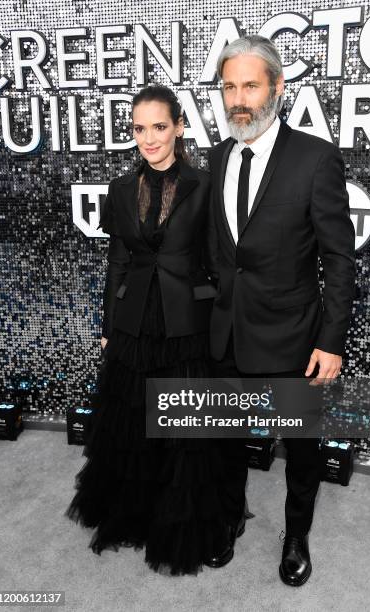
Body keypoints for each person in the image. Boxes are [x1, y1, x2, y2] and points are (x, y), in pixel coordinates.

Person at [64, 84, 246, 575]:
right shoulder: (122, 189)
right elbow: (117, 261)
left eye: (159, 127)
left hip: (187, 321)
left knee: (187, 431)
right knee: (132, 427)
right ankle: (139, 515)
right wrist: (108, 323)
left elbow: (218, 259)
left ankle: (185, 521)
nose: (149, 139)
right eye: (139, 129)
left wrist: (227, 318)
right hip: (134, 324)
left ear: (179, 127)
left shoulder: (207, 184)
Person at [206, 36, 356, 585]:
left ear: (277, 88)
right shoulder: (219, 154)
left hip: (295, 339)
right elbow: (222, 255)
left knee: (302, 451)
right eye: (229, 86)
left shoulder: (316, 158)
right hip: (226, 337)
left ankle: (296, 535)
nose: (238, 98)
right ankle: (229, 520)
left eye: (249, 85)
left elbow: (340, 260)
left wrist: (333, 340)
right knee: (222, 443)